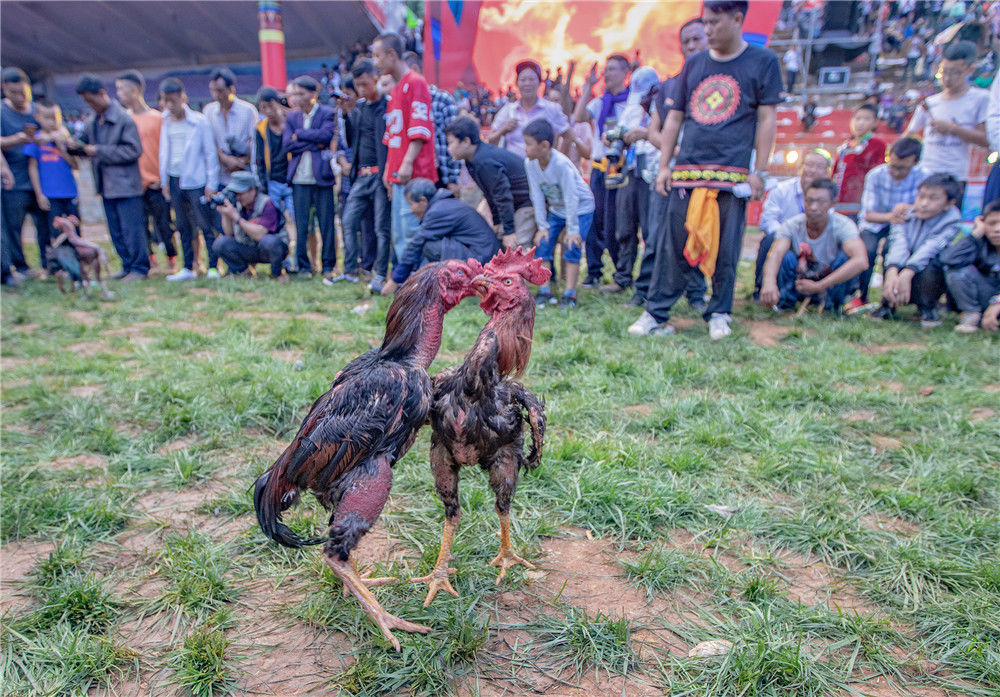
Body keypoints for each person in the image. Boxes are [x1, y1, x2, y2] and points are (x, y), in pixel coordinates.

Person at [628, 0, 782, 339]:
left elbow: (767, 119)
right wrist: (666, 164)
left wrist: (761, 170)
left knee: (726, 246)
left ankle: (719, 312)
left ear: (737, 18)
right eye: (706, 23)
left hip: (733, 173)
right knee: (672, 244)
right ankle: (656, 311)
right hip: (687, 172)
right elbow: (675, 119)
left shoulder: (764, 62)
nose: (708, 30)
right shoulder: (695, 65)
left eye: (714, 23)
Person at [633, 17, 710, 309]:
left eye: (697, 39)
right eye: (686, 41)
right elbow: (653, 131)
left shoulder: (717, 87)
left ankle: (695, 294)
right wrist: (677, 150)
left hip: (703, 177)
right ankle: (644, 291)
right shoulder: (669, 87)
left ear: (709, 39)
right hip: (667, 173)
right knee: (654, 235)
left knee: (697, 234)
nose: (691, 46)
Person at [372, 32, 438, 263]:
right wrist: (389, 171)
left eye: (378, 55)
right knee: (399, 232)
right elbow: (393, 136)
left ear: (392, 55)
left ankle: (422, 286)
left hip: (416, 174)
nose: (376, 61)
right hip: (399, 174)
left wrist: (407, 163)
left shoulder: (416, 82)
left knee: (413, 232)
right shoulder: (396, 89)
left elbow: (420, 130)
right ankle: (408, 285)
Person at [75, 74, 149, 280]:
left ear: (101, 94)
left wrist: (98, 150)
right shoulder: (93, 122)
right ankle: (127, 265)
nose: (90, 105)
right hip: (107, 185)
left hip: (126, 184)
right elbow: (84, 144)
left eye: (91, 100)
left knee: (131, 230)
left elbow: (133, 151)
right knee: (116, 230)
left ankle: (139, 268)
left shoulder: (123, 119)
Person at [758, 178, 869, 311]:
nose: (813, 207)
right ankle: (784, 304)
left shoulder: (843, 225)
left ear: (833, 203)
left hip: (829, 284)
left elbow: (861, 261)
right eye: (809, 200)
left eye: (820, 202)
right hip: (799, 282)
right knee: (785, 256)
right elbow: (775, 253)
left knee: (845, 259)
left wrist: (820, 286)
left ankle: (832, 307)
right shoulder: (792, 225)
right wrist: (769, 282)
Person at [872, 173, 964, 327]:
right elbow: (898, 242)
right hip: (904, 262)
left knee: (941, 257)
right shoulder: (905, 213)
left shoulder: (953, 221)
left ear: (949, 203)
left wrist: (908, 271)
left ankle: (927, 307)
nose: (924, 203)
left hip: (924, 268)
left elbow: (931, 247)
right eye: (921, 196)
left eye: (933, 198)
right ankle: (888, 302)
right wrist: (892, 270)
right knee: (889, 246)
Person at [380, 177, 500, 293]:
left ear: (423, 200)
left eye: (411, 204)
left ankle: (456, 286)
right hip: (481, 255)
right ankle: (421, 286)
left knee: (429, 246)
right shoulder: (444, 204)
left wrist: (395, 280)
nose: (411, 210)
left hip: (481, 261)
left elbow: (416, 244)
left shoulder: (437, 211)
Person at [524, 118, 595, 308]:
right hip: (557, 209)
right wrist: (542, 227)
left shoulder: (562, 165)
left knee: (572, 246)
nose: (525, 149)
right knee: (544, 243)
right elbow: (536, 195)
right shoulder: (530, 164)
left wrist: (572, 230)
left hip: (580, 207)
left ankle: (570, 294)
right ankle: (544, 291)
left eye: (529, 144)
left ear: (545, 145)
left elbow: (572, 198)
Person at [574, 54, 632, 287]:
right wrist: (589, 85)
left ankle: (622, 273)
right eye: (605, 70)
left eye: (612, 70)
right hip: (600, 169)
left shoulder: (632, 103)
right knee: (595, 222)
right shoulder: (600, 103)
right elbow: (579, 117)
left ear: (625, 73)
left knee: (619, 223)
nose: (607, 74)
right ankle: (594, 271)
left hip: (623, 169)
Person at [603, 66, 659, 295]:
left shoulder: (662, 104)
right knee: (624, 227)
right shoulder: (630, 106)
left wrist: (644, 134)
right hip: (629, 170)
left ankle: (650, 282)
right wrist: (614, 138)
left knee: (650, 230)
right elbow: (613, 135)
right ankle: (623, 276)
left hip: (652, 172)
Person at [157, 77, 221, 281]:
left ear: (183, 98)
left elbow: (210, 154)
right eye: (165, 101)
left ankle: (213, 265)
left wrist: (211, 184)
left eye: (173, 100)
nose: (169, 105)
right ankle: (188, 267)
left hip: (197, 181)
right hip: (174, 180)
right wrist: (164, 181)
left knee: (205, 224)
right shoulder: (164, 121)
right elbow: (163, 153)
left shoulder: (199, 121)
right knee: (183, 226)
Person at [904, 41, 989, 191]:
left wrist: (953, 129)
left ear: (970, 70)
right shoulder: (929, 102)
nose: (948, 78)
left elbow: (986, 140)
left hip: (955, 176)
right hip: (926, 172)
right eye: (945, 72)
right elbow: (910, 134)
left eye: (956, 72)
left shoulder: (980, 99)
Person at [853, 136, 927, 308]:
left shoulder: (924, 176)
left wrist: (908, 208)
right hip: (877, 223)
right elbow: (869, 214)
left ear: (915, 162)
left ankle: (888, 301)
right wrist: (891, 217)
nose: (895, 173)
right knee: (867, 250)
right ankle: (861, 296)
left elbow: (925, 206)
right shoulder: (875, 176)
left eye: (902, 169)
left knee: (893, 252)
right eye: (893, 166)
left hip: (905, 225)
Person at [116, 69, 177, 275]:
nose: (119, 94)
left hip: (156, 183)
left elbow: (166, 151)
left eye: (121, 89)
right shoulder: (124, 120)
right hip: (133, 184)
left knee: (164, 224)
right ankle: (150, 260)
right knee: (140, 226)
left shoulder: (157, 119)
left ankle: (171, 258)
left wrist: (162, 178)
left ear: (135, 90)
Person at [753, 148, 833, 300]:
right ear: (800, 166)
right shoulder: (781, 190)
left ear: (827, 172)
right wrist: (789, 238)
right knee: (770, 239)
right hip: (782, 240)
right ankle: (761, 290)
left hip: (812, 246)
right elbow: (767, 220)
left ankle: (819, 295)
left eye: (819, 166)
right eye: (809, 165)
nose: (812, 170)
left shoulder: (828, 196)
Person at [444, 115, 534, 249]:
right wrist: (497, 221)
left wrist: (509, 231)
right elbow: (489, 194)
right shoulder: (471, 161)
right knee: (499, 244)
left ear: (466, 141)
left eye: (451, 143)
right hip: (512, 206)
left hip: (526, 203)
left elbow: (502, 196)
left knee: (517, 247)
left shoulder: (484, 161)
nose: (448, 148)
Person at [341, 58, 390, 290]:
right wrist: (347, 116)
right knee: (349, 220)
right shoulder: (358, 108)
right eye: (358, 85)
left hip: (381, 176)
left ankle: (380, 273)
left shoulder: (389, 106)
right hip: (361, 175)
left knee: (381, 228)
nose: (361, 89)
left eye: (364, 84)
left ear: (375, 80)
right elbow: (353, 142)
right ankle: (351, 271)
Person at [284, 75, 337, 278]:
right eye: (295, 93)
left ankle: (328, 265)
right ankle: (304, 266)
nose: (296, 97)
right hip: (299, 180)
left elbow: (326, 136)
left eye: (301, 93)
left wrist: (301, 135)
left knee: (327, 225)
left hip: (322, 178)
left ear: (313, 94)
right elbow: (288, 144)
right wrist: (313, 141)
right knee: (301, 225)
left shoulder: (327, 113)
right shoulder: (291, 118)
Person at [1, 67, 45, 280]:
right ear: (4, 90)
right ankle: (20, 266)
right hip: (14, 180)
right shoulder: (1, 112)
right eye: (13, 92)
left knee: (45, 224)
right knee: (13, 227)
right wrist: (15, 140)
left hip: (41, 180)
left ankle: (50, 263)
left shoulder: (38, 110)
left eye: (22, 92)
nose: (19, 97)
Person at [212, 171, 289, 281]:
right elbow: (229, 233)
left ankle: (277, 274)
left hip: (268, 249)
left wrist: (236, 218)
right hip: (248, 246)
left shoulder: (266, 203)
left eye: (240, 193)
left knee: (270, 242)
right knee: (220, 243)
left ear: (252, 190)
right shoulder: (237, 205)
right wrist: (225, 214)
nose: (238, 197)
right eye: (235, 193)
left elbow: (260, 235)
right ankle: (243, 271)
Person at [402, 52, 461, 193]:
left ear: (414, 70)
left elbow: (453, 142)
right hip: (405, 175)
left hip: (437, 175)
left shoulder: (442, 100)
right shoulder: (396, 102)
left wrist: (452, 179)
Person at [488, 60, 571, 158]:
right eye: (523, 80)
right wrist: (502, 130)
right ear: (517, 83)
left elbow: (568, 136)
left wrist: (557, 163)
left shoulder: (551, 109)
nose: (527, 84)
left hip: (541, 171)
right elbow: (491, 140)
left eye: (532, 79)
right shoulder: (508, 110)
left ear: (540, 82)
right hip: (513, 170)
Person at [24, 99, 80, 243]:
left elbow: (75, 165)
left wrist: (62, 147)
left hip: (69, 192)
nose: (51, 122)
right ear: (37, 117)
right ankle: (54, 262)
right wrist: (39, 194)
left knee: (74, 230)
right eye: (47, 118)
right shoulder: (36, 140)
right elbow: (33, 167)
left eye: (55, 118)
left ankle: (76, 261)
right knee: (53, 231)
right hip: (49, 194)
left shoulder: (66, 138)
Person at [941, 199, 1000, 332]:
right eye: (992, 223)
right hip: (985, 295)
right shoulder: (979, 242)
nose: (997, 229)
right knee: (956, 271)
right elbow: (948, 259)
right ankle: (971, 314)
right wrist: (975, 235)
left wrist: (997, 302)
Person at [203, 68, 258, 187]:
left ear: (231, 89)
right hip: (220, 175)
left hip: (245, 173)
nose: (216, 95)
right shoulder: (209, 111)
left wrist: (242, 161)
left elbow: (254, 141)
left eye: (220, 91)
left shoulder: (248, 110)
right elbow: (208, 142)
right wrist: (225, 159)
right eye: (212, 91)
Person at [833, 104, 886, 210]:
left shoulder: (877, 145)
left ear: (875, 122)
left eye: (866, 119)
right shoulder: (845, 146)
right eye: (857, 118)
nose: (860, 123)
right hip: (839, 201)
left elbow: (877, 175)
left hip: (861, 202)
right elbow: (834, 173)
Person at [253, 86, 292, 218]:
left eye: (270, 106)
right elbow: (259, 159)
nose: (268, 111)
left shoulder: (290, 122)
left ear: (277, 103)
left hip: (291, 179)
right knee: (275, 219)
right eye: (264, 107)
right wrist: (264, 183)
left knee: (294, 217)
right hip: (272, 181)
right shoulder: (261, 129)